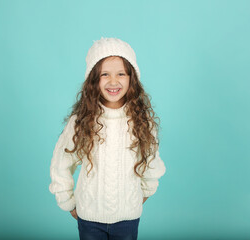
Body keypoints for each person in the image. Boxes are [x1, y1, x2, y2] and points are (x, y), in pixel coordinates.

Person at [49, 37, 166, 240]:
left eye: (121, 73)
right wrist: (67, 201)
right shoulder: (81, 121)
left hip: (127, 219)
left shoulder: (141, 121)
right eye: (105, 74)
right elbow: (61, 163)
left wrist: (143, 193)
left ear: (132, 78)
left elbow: (151, 161)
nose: (113, 81)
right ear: (94, 80)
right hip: (89, 219)